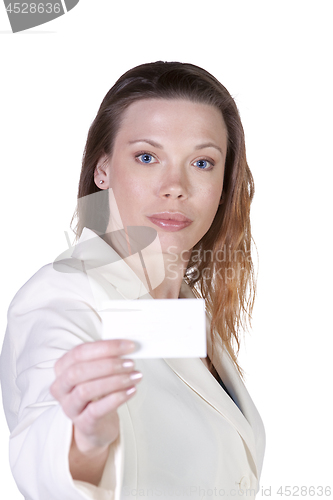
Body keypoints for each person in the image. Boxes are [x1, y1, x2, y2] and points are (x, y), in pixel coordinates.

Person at [0, 61, 265, 499]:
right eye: (147, 157)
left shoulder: (186, 310)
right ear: (102, 169)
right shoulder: (63, 295)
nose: (175, 186)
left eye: (202, 162)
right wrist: (84, 440)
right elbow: (43, 445)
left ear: (224, 182)